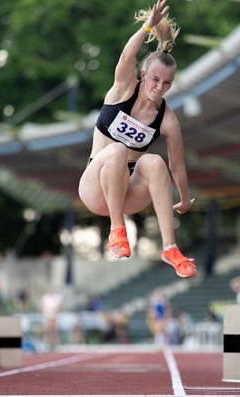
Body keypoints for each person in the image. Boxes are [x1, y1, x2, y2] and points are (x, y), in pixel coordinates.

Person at [78, 0, 196, 278]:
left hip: (128, 193)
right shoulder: (123, 90)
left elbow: (177, 165)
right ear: (144, 75)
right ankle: (117, 230)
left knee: (154, 161)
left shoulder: (167, 119)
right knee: (118, 150)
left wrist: (186, 198)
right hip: (96, 188)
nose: (159, 88)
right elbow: (125, 58)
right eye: (155, 80)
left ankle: (170, 247)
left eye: (167, 83)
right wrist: (148, 26)